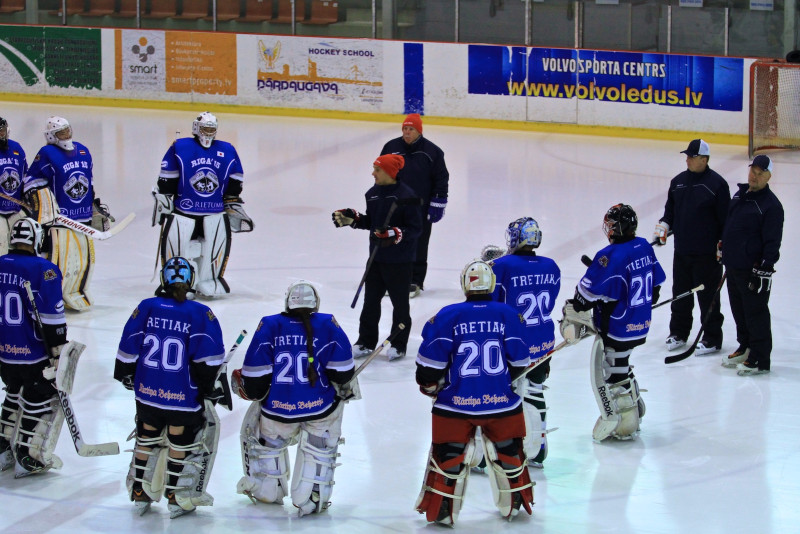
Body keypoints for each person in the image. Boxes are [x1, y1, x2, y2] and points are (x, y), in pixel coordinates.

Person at [414, 259, 534, 526]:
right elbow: (520, 363)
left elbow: (428, 368)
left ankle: (443, 507)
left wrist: (429, 385)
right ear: (491, 284)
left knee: (449, 454)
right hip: (502, 405)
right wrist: (498, 383)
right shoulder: (508, 314)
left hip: (454, 406)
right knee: (509, 450)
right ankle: (516, 499)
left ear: (465, 285)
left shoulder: (447, 315)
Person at [231, 280, 357, 516]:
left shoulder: (269, 324)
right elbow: (343, 374)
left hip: (277, 411)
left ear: (287, 303)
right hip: (320, 409)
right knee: (320, 444)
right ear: (316, 303)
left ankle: (268, 490)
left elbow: (255, 383)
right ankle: (311, 496)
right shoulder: (328, 323)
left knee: (268, 440)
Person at [114, 256, 226, 518]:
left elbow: (128, 346)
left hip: (148, 393)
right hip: (182, 396)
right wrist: (208, 387)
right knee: (180, 440)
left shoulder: (146, 306)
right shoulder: (200, 313)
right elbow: (209, 360)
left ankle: (139, 491)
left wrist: (126, 374)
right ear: (190, 281)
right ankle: (175, 496)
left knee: (147, 436)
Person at [562, 204, 666, 441]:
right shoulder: (643, 246)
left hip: (617, 325)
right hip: (640, 322)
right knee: (622, 361)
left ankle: (626, 423)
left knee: (613, 370)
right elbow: (656, 286)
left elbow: (584, 297)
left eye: (610, 225)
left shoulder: (610, 255)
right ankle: (636, 404)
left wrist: (576, 305)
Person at [331, 154, 422, 361]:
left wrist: (396, 233)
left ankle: (398, 343)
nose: (373, 173)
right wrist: (355, 220)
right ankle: (365, 341)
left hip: (400, 262)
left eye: (377, 169)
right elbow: (373, 223)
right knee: (370, 302)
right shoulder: (371, 194)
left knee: (400, 305)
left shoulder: (407, 196)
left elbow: (416, 229)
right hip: (376, 259)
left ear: (390, 172)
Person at [152, 112, 253, 298]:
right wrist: (164, 197)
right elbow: (168, 177)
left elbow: (235, 181)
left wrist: (232, 200)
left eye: (211, 129)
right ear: (196, 128)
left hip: (215, 213)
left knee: (213, 249)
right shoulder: (180, 147)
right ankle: (176, 283)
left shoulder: (227, 150)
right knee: (178, 247)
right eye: (205, 128)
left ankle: (210, 280)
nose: (208, 133)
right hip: (184, 212)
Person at [23, 116, 115, 311]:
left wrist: (93, 206)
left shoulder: (83, 150)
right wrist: (43, 202)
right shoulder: (47, 153)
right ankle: (50, 295)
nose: (66, 135)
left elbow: (89, 182)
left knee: (82, 261)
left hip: (83, 218)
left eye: (67, 130)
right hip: (60, 221)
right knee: (56, 260)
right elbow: (31, 182)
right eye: (61, 132)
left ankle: (76, 290)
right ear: (51, 135)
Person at [489, 217, 560, 467]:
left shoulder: (501, 266)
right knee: (535, 390)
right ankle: (537, 449)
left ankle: (501, 451)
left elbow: (490, 304)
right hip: (543, 341)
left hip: (514, 344)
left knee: (503, 395)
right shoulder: (551, 266)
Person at [0, 218, 68, 477]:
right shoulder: (45, 269)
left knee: (13, 391)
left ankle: (2, 449)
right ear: (38, 240)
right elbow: (51, 319)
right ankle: (28, 455)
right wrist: (58, 350)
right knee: (39, 398)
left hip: (4, 353)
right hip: (32, 353)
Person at [653, 139, 730, 355]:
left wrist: (724, 244)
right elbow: (670, 213)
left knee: (708, 297)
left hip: (708, 255)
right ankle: (678, 333)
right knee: (681, 295)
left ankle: (712, 338)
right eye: (687, 156)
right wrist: (664, 225)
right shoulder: (677, 182)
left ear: (704, 159)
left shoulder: (717, 185)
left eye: (692, 157)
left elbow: (726, 220)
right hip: (682, 252)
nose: (687, 159)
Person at [719, 155, 784, 376]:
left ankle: (760, 358)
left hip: (753, 270)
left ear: (769, 176)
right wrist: (723, 246)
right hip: (734, 266)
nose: (754, 177)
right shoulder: (740, 195)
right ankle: (746, 347)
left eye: (760, 174)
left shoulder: (771, 206)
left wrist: (764, 269)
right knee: (739, 311)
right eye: (752, 172)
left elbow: (772, 242)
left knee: (756, 314)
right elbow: (730, 226)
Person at [380, 113, 449, 298]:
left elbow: (441, 179)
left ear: (419, 131)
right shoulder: (391, 147)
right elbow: (381, 173)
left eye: (411, 129)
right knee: (392, 241)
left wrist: (438, 202)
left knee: (418, 243)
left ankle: (415, 280)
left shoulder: (433, 152)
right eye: (404, 128)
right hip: (395, 207)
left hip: (420, 209)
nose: (407, 132)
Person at [0, 117, 29, 255]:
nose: (1, 134)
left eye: (2, 130)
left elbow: (25, 175)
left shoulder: (16, 148)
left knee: (22, 249)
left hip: (16, 210)